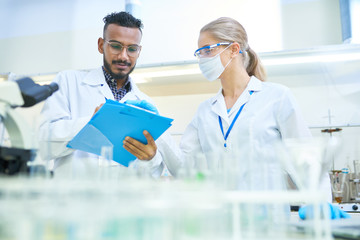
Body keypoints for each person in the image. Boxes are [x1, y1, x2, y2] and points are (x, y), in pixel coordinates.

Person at [39, 12, 171, 178]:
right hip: (74, 199)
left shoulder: (146, 104)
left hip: (123, 201)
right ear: (101, 45)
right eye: (116, 46)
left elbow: (153, 174)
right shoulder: (68, 82)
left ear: (139, 51)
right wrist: (90, 123)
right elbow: (43, 143)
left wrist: (150, 158)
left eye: (132, 49)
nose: (124, 56)